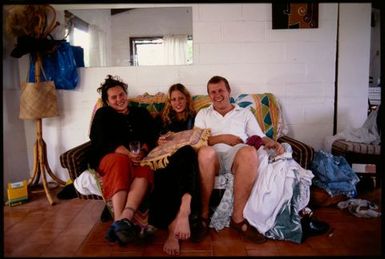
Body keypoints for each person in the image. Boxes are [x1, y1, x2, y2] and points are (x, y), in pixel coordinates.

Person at [194, 75, 284, 243]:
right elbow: (196, 141)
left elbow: (259, 136)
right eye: (212, 92)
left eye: (221, 90)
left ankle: (237, 219)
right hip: (211, 157)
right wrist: (224, 138)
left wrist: (273, 143)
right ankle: (204, 217)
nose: (217, 95)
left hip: (236, 156)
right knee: (205, 153)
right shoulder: (203, 114)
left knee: (249, 151)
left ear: (229, 91)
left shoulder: (244, 113)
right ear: (209, 95)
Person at [89, 75, 158, 246]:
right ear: (107, 100)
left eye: (121, 94)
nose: (119, 99)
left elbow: (152, 135)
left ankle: (122, 222)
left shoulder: (140, 113)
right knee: (120, 162)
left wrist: (142, 151)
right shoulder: (103, 114)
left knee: (146, 167)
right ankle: (121, 222)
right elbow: (101, 140)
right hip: (110, 156)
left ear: (126, 94)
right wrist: (127, 154)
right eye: (114, 97)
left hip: (138, 156)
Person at [149, 83, 206, 256]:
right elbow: (152, 139)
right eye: (173, 99)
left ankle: (185, 209)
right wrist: (158, 141)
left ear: (187, 99)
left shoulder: (195, 117)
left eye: (180, 98)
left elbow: (200, 137)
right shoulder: (161, 119)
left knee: (187, 152)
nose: (177, 102)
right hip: (166, 159)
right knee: (164, 172)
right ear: (169, 102)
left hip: (187, 158)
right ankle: (174, 227)